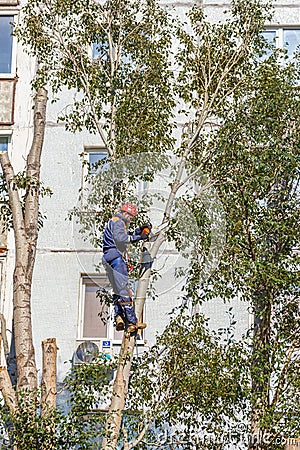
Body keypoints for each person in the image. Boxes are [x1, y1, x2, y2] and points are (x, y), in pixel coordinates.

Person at [102, 203, 149, 333]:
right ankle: (132, 322)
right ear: (126, 214)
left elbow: (123, 234)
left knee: (118, 290)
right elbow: (121, 238)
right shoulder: (118, 222)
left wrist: (138, 231)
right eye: (131, 217)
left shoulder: (114, 221)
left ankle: (119, 318)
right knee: (124, 289)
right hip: (116, 257)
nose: (131, 220)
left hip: (108, 257)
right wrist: (139, 237)